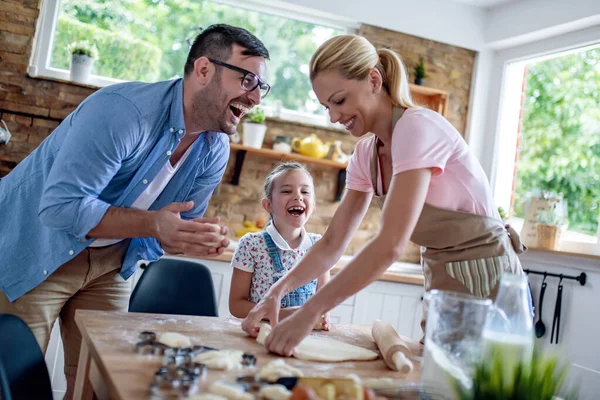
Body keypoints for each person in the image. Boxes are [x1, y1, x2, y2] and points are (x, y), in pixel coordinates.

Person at [0, 24, 269, 398]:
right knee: (17, 382)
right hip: (33, 245)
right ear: (204, 69)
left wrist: (193, 239)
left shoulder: (214, 147)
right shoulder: (125, 112)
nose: (256, 97)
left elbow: (175, 229)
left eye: (262, 87)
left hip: (110, 263)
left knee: (99, 384)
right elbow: (61, 207)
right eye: (248, 80)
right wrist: (155, 225)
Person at [241, 34, 527, 356]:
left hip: (489, 277)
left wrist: (309, 313)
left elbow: (390, 245)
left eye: (339, 101)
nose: (334, 117)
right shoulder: (366, 154)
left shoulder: (418, 128)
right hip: (441, 278)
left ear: (374, 80)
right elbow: (333, 243)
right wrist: (275, 295)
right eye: (326, 107)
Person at [229, 162, 330, 330]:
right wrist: (283, 314)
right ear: (268, 205)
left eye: (305, 191)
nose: (298, 196)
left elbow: (324, 297)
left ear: (313, 205)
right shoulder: (251, 245)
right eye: (286, 191)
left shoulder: (319, 246)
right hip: (262, 333)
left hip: (304, 334)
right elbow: (236, 305)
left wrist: (324, 314)